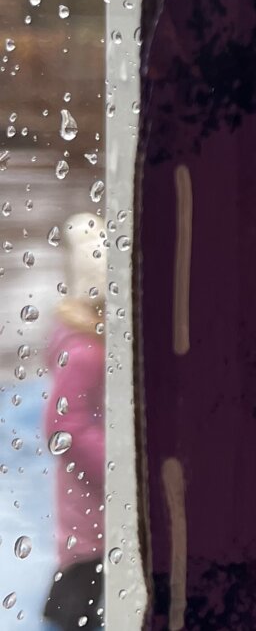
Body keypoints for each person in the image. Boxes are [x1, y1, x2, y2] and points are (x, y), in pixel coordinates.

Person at [43, 213, 106, 631]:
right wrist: (115, 470)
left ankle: (61, 613)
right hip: (93, 491)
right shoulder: (88, 352)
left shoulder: (86, 341)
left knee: (86, 564)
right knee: (86, 566)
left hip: (87, 489)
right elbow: (62, 427)